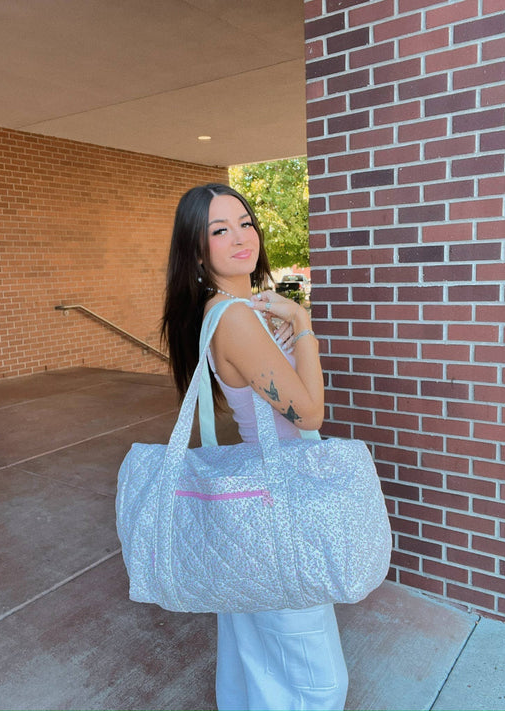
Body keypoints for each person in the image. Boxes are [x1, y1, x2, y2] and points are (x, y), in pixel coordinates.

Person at [161, 183, 349, 711]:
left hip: (258, 491)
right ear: (197, 250)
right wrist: (303, 323)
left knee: (256, 648)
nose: (241, 237)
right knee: (312, 669)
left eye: (245, 222)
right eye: (219, 230)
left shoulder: (238, 308)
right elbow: (309, 412)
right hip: (276, 491)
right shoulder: (238, 317)